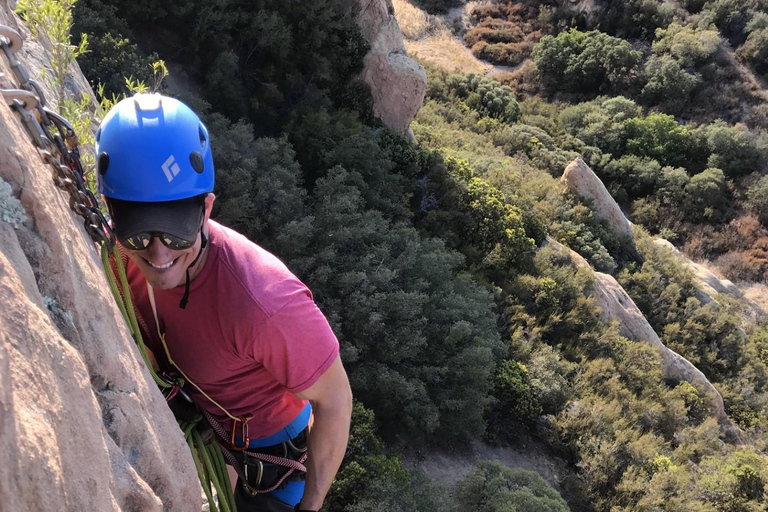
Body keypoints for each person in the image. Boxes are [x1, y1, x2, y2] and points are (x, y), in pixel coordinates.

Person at [95, 93, 353, 512]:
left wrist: (310, 506)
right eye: (141, 233)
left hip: (272, 460)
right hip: (207, 416)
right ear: (113, 211)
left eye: (176, 233)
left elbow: (337, 400)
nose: (159, 257)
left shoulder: (266, 304)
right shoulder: (114, 246)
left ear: (206, 209)